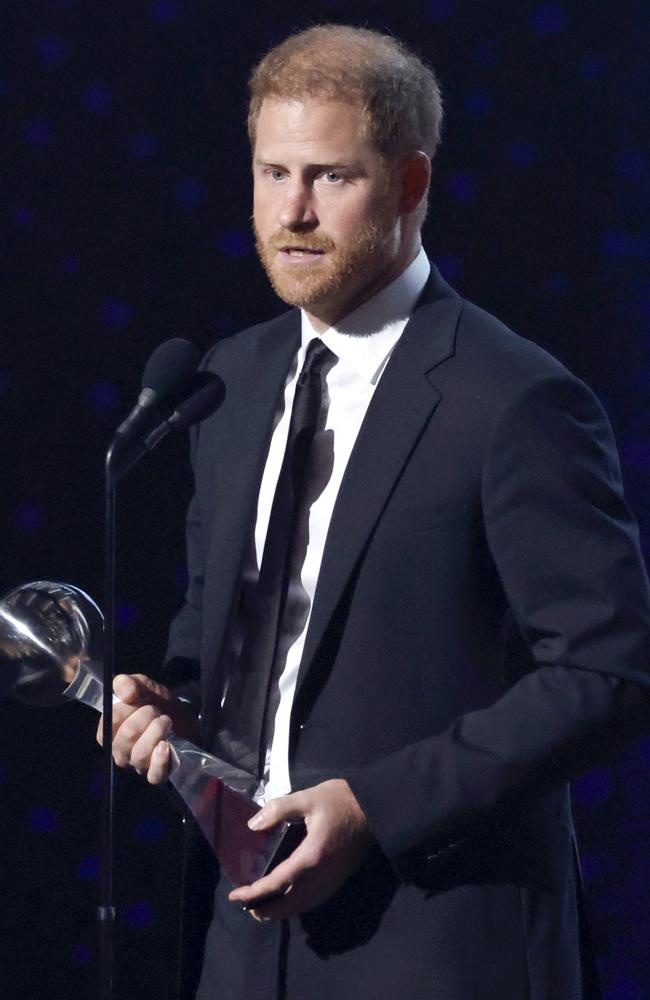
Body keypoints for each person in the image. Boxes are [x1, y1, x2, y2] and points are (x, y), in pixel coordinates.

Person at [99, 24, 650, 1000]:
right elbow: (212, 620)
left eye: (329, 177)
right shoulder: (226, 382)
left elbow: (608, 669)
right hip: (240, 940)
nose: (293, 213)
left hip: (436, 943)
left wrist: (374, 806)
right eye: (272, 174)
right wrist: (175, 704)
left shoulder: (512, 398)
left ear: (408, 185)